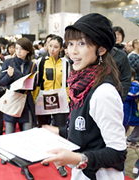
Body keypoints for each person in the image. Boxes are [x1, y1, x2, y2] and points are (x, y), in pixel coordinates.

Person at [42, 13, 127, 180]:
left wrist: (77, 158)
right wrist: (58, 131)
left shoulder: (103, 92)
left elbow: (118, 153)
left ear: (101, 49)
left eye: (81, 43)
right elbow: (89, 130)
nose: (72, 51)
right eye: (70, 43)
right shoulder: (81, 84)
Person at [0, 37, 37, 180]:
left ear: (28, 51)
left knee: (26, 136)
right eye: (16, 48)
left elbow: (32, 85)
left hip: (26, 102)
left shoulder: (33, 65)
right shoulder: (8, 62)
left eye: (21, 49)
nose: (18, 51)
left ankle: (24, 166)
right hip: (11, 101)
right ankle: (6, 154)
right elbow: (2, 82)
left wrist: (14, 74)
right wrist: (9, 77)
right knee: (9, 133)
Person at [35, 35, 70, 177]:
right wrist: (34, 101)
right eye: (50, 46)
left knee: (59, 131)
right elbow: (37, 82)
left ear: (61, 48)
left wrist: (68, 100)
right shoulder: (41, 61)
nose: (52, 49)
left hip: (61, 99)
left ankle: (59, 162)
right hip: (44, 98)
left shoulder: (66, 62)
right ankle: (45, 155)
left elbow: (68, 83)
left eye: (56, 47)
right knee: (44, 129)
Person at [124, 68, 139, 143]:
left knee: (123, 127)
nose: (132, 79)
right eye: (131, 77)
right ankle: (132, 138)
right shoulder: (129, 86)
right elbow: (134, 94)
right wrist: (136, 84)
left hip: (129, 111)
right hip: (128, 112)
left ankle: (121, 139)